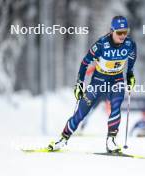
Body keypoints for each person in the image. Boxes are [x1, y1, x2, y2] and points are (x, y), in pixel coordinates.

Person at [48, 16, 137, 153]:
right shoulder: (101, 45)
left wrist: (130, 75)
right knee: (81, 112)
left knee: (116, 106)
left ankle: (111, 140)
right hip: (98, 81)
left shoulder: (130, 45)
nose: (123, 35)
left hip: (117, 80)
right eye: (119, 32)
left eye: (125, 32)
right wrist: (79, 84)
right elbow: (84, 63)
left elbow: (131, 61)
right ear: (112, 31)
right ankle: (63, 139)